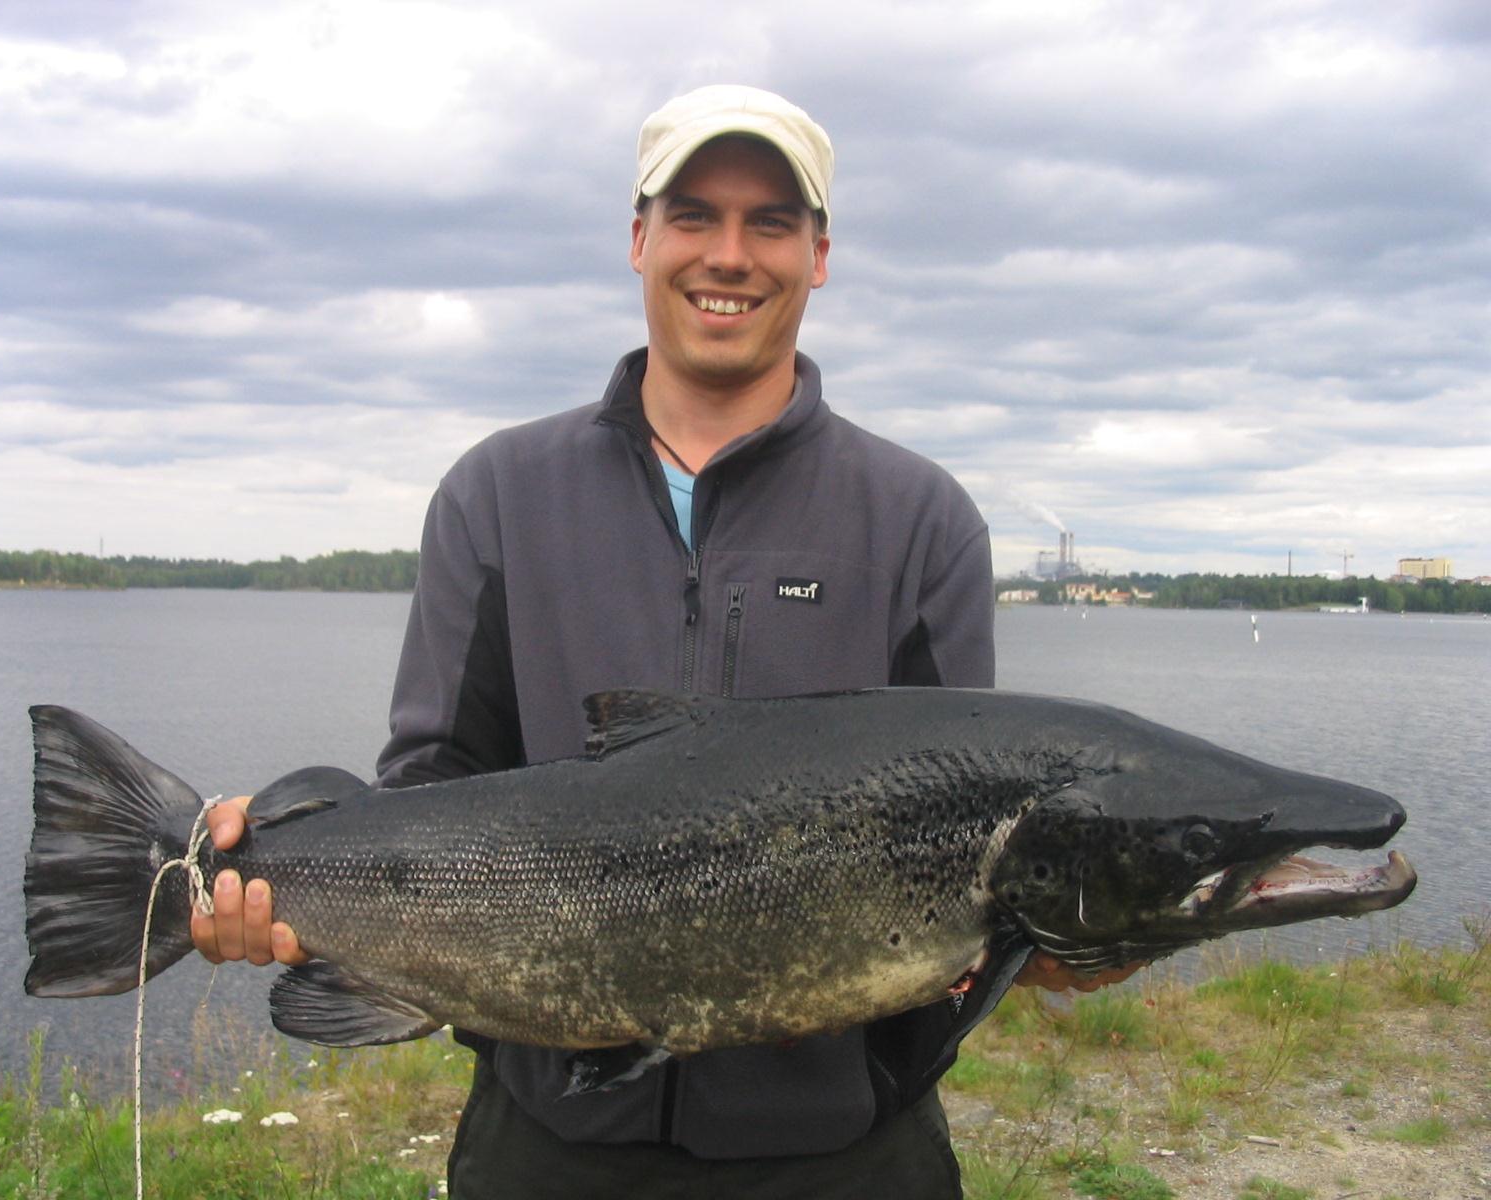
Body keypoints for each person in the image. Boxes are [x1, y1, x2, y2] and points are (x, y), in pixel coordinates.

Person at [193, 84, 1134, 1198]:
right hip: (545, 1146)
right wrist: (269, 877)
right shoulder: (497, 495)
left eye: (769, 223)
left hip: (847, 1155)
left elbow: (963, 832)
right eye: (693, 215)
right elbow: (433, 784)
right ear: (639, 238)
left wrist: (1064, 936)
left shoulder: (920, 520)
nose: (727, 255)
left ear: (818, 254)